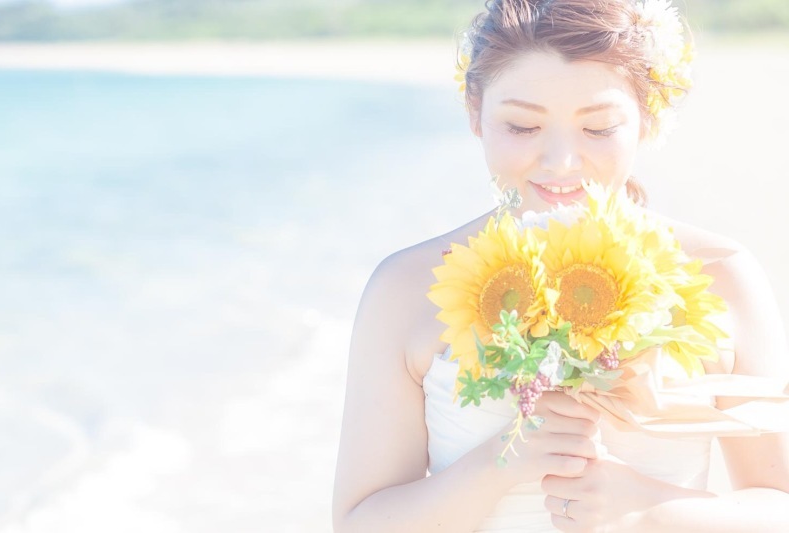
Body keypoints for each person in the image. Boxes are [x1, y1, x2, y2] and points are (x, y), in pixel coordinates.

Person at [332, 0, 789, 531]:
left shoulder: (720, 275)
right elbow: (360, 521)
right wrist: (505, 459)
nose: (560, 161)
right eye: (523, 126)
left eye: (597, 129)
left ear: (650, 117)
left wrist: (650, 505)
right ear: (474, 111)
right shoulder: (407, 287)